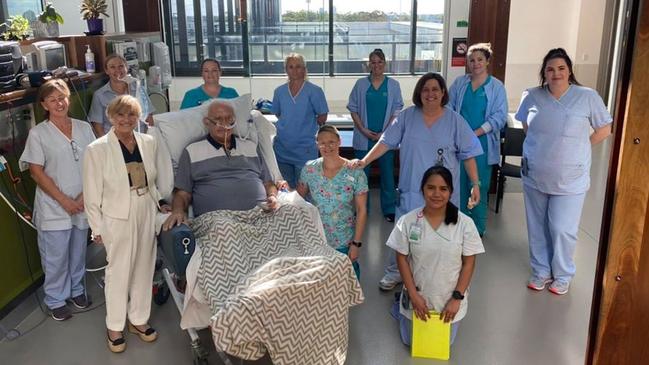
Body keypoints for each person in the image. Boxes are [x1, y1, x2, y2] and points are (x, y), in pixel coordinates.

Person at [351, 72, 483, 291]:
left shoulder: (455, 120)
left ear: (443, 93)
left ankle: (439, 278)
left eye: (435, 89)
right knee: (404, 233)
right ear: (419, 93)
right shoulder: (406, 117)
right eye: (425, 89)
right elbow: (386, 142)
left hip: (442, 193)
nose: (430, 94)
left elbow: (468, 154)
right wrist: (364, 161)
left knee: (442, 236)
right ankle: (395, 272)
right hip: (412, 189)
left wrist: (475, 185)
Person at [515, 48, 612, 295]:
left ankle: (563, 273)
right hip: (535, 173)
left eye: (561, 68)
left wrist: (580, 147)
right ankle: (541, 271)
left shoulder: (587, 96)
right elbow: (526, 124)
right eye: (550, 69)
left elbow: (604, 128)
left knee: (561, 228)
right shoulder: (532, 95)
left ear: (569, 70)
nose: (556, 73)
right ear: (544, 73)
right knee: (536, 226)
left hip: (571, 178)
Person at [83, 95, 169, 353]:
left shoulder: (148, 142)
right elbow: (91, 192)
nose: (126, 119)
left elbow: (152, 180)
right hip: (116, 214)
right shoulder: (96, 149)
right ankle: (115, 326)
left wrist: (159, 202)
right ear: (111, 117)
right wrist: (96, 228)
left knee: (144, 266)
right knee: (119, 271)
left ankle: (139, 320)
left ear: (138, 117)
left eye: (131, 114)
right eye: (120, 115)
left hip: (145, 208)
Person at [19, 79, 96, 321]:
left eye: (62, 97)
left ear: (68, 99)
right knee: (56, 255)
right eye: (52, 99)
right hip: (54, 206)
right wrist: (64, 201)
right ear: (44, 104)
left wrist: (84, 197)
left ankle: (76, 290)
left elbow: (96, 162)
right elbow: (36, 172)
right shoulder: (38, 134)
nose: (59, 103)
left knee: (77, 252)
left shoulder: (84, 128)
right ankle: (55, 299)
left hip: (82, 202)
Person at [388, 166, 484, 346]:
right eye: (431, 187)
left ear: (451, 192)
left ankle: (401, 303)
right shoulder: (408, 221)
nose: (436, 194)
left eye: (443, 189)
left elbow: (469, 264)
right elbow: (401, 258)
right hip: (417, 293)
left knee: (443, 344)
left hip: (449, 297)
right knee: (410, 342)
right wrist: (414, 295)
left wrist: (456, 298)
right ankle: (400, 305)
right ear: (422, 189)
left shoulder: (465, 224)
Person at [162, 101, 280, 230]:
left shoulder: (250, 146)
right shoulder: (192, 151)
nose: (224, 124)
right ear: (207, 122)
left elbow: (268, 183)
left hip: (260, 215)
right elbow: (182, 193)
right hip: (218, 221)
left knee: (296, 211)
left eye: (229, 119)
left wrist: (273, 196)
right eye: (218, 119)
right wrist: (178, 211)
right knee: (225, 230)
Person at [448, 43, 508, 236]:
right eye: (472, 60)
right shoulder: (460, 83)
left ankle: (477, 229)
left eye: (480, 60)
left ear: (487, 62)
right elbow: (448, 107)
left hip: (482, 143)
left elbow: (499, 116)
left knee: (478, 185)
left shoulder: (496, 87)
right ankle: (460, 225)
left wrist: (476, 133)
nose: (476, 64)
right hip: (458, 142)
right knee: (459, 185)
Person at [297, 125, 368, 278]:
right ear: (317, 144)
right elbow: (297, 200)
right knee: (321, 280)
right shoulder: (310, 169)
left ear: (339, 142)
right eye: (322, 142)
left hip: (344, 238)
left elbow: (362, 210)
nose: (327, 146)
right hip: (316, 237)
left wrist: (356, 244)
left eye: (331, 142)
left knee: (346, 278)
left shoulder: (355, 172)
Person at [347, 48, 403, 222]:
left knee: (387, 175)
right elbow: (353, 109)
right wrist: (363, 129)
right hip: (364, 138)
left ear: (385, 64)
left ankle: (388, 209)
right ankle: (362, 209)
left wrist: (384, 133)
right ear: (368, 64)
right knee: (361, 176)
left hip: (385, 139)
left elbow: (397, 111)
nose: (376, 65)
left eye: (380, 62)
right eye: (373, 62)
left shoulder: (393, 85)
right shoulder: (360, 84)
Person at [272, 53, 329, 188]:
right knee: (285, 190)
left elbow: (322, 116)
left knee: (306, 190)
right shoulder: (279, 91)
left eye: (298, 66)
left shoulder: (314, 91)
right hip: (282, 148)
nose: (295, 70)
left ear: (304, 69)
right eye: (290, 67)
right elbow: (278, 113)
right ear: (286, 69)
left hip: (305, 150)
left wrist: (305, 127)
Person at [88, 54, 155, 137]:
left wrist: (149, 138)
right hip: (115, 141)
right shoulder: (99, 95)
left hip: (140, 137)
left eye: (121, 66)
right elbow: (97, 127)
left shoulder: (138, 89)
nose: (117, 70)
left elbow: (149, 118)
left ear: (126, 68)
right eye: (112, 67)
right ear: (107, 71)